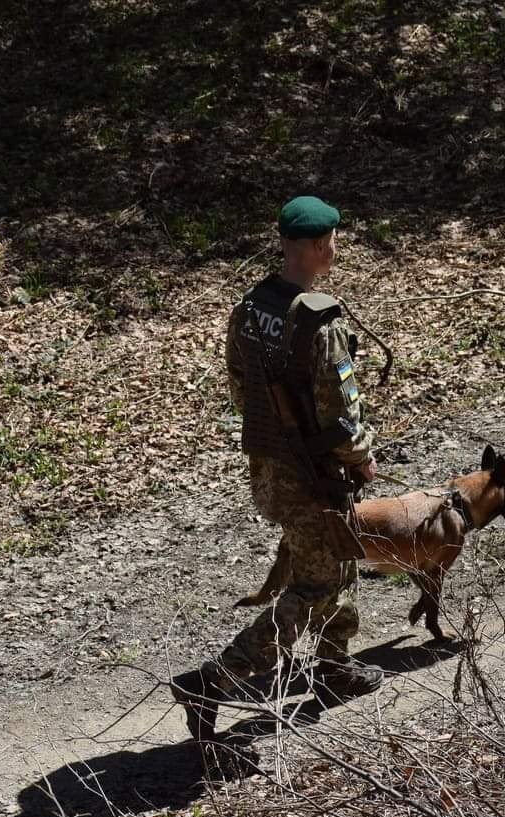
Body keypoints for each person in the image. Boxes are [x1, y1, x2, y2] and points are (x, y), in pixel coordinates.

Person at [173, 196, 383, 743]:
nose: (336, 247)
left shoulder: (251, 307)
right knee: (314, 585)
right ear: (317, 245)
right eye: (333, 239)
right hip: (314, 476)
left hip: (271, 466)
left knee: (337, 556)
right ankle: (213, 681)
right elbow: (341, 417)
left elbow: (240, 387)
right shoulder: (321, 323)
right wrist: (362, 456)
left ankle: (333, 666)